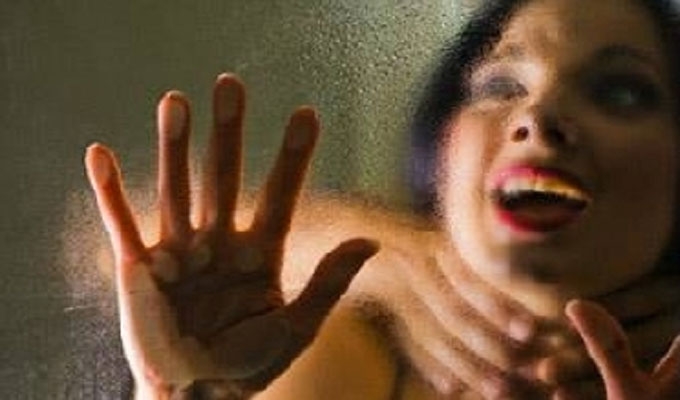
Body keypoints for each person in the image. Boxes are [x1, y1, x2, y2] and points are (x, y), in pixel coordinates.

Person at [84, 0, 680, 398]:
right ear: (439, 148)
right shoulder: (340, 354)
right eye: (500, 84)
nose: (538, 116)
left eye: (621, 92)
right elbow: (96, 244)